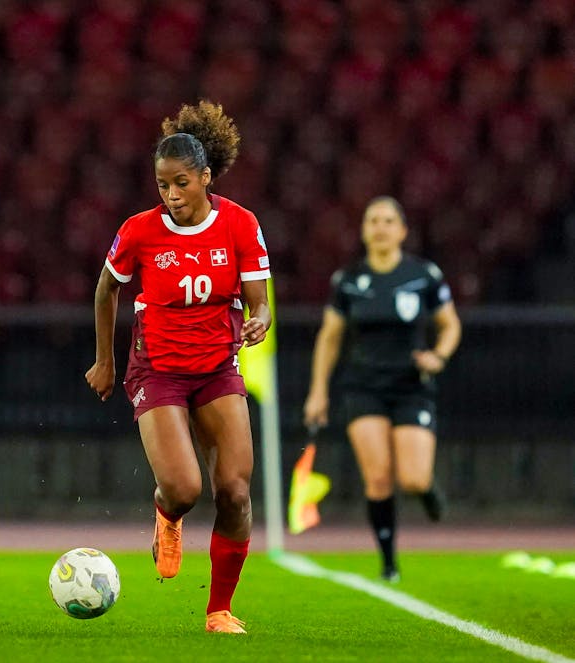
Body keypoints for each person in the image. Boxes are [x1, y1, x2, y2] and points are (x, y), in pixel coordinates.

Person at [85, 100, 271, 634]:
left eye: (182, 183)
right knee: (187, 489)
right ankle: (167, 513)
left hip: (217, 368)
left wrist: (259, 321)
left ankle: (219, 610)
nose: (171, 196)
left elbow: (259, 301)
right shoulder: (140, 231)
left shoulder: (240, 224)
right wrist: (105, 361)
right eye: (162, 185)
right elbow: (106, 289)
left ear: (206, 177)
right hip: (158, 369)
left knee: (235, 491)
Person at [303, 196, 462, 582]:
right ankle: (389, 562)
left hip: (410, 387)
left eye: (389, 220)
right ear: (364, 230)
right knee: (378, 478)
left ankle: (426, 492)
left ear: (403, 230)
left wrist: (438, 356)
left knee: (412, 478)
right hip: (363, 387)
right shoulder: (349, 280)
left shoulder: (424, 274)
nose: (380, 227)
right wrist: (318, 391)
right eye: (373, 220)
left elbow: (450, 325)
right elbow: (330, 337)